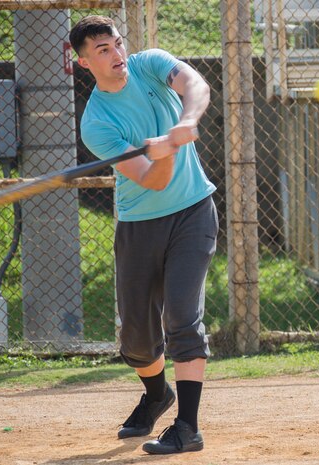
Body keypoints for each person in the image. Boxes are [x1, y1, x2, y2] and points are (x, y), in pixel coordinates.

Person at [69, 15, 218, 455]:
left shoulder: (150, 63)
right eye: (103, 51)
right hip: (139, 225)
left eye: (117, 44)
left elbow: (197, 86)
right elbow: (152, 180)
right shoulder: (97, 123)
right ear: (83, 63)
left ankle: (187, 428)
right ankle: (157, 394)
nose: (117, 56)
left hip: (193, 211)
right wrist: (167, 149)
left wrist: (185, 121)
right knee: (136, 338)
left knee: (181, 319)